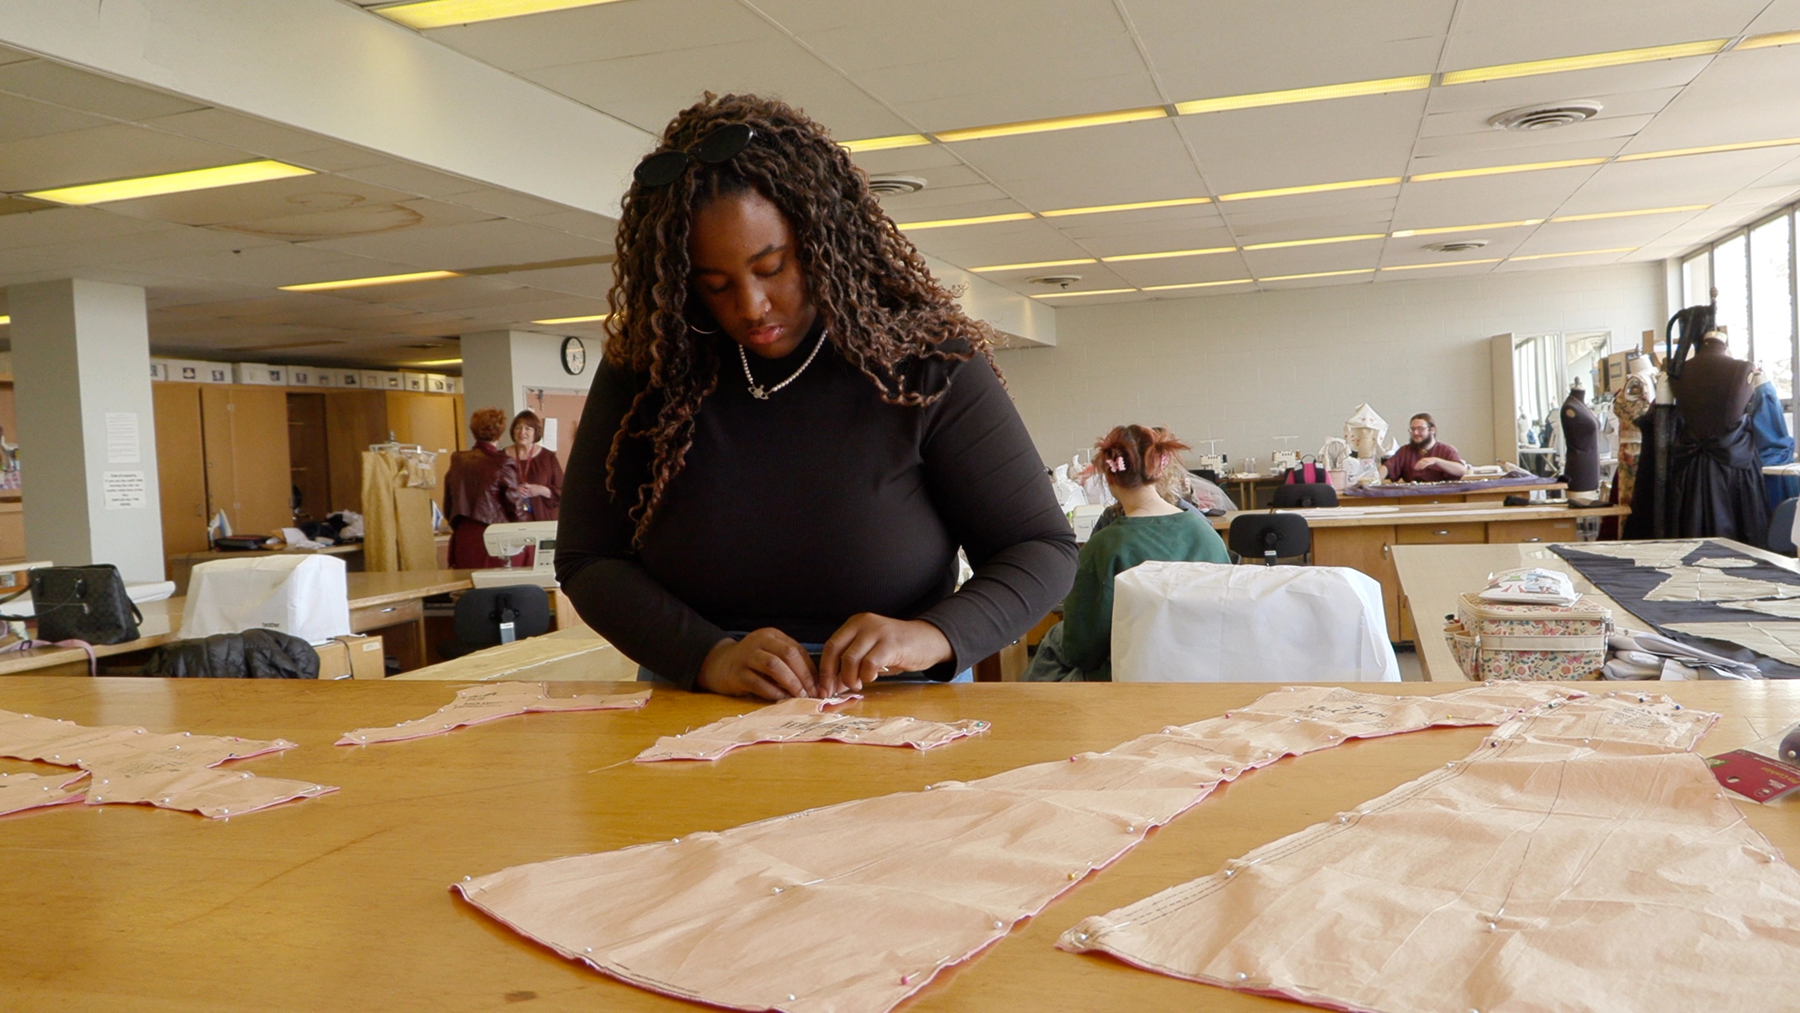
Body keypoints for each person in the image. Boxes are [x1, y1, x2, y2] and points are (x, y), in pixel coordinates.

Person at [554, 94, 1078, 701]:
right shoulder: (649, 371)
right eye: (716, 285)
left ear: (824, 241)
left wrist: (929, 636)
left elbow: (1041, 549)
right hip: (702, 697)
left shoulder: (929, 366)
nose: (749, 307)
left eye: (772, 267)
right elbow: (589, 558)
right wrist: (707, 656)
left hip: (894, 698)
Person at [1022, 425, 1230, 682]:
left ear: (1108, 477)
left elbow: (1082, 651)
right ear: (1159, 469)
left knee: (1052, 649)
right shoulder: (1206, 535)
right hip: (1201, 673)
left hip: (1128, 679)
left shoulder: (1105, 547)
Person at [443, 407, 523, 568]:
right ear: (500, 433)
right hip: (494, 536)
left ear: (473, 432)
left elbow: (448, 504)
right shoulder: (503, 462)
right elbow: (514, 505)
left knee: (466, 586)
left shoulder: (458, 460)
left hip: (464, 534)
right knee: (497, 586)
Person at [506, 410, 564, 521]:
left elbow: (563, 492)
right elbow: (491, 492)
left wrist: (541, 490)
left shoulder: (548, 457)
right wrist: (513, 492)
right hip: (510, 521)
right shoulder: (502, 458)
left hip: (543, 520)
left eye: (528, 428)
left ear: (535, 432)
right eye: (518, 427)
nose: (522, 432)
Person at [1381, 413, 1468, 481]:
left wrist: (1436, 461)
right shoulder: (1405, 451)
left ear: (1432, 430)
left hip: (1443, 496)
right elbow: (1387, 467)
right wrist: (1373, 481)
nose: (1415, 433)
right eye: (1412, 429)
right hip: (1413, 497)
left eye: (1420, 429)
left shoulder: (1446, 450)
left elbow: (1461, 470)